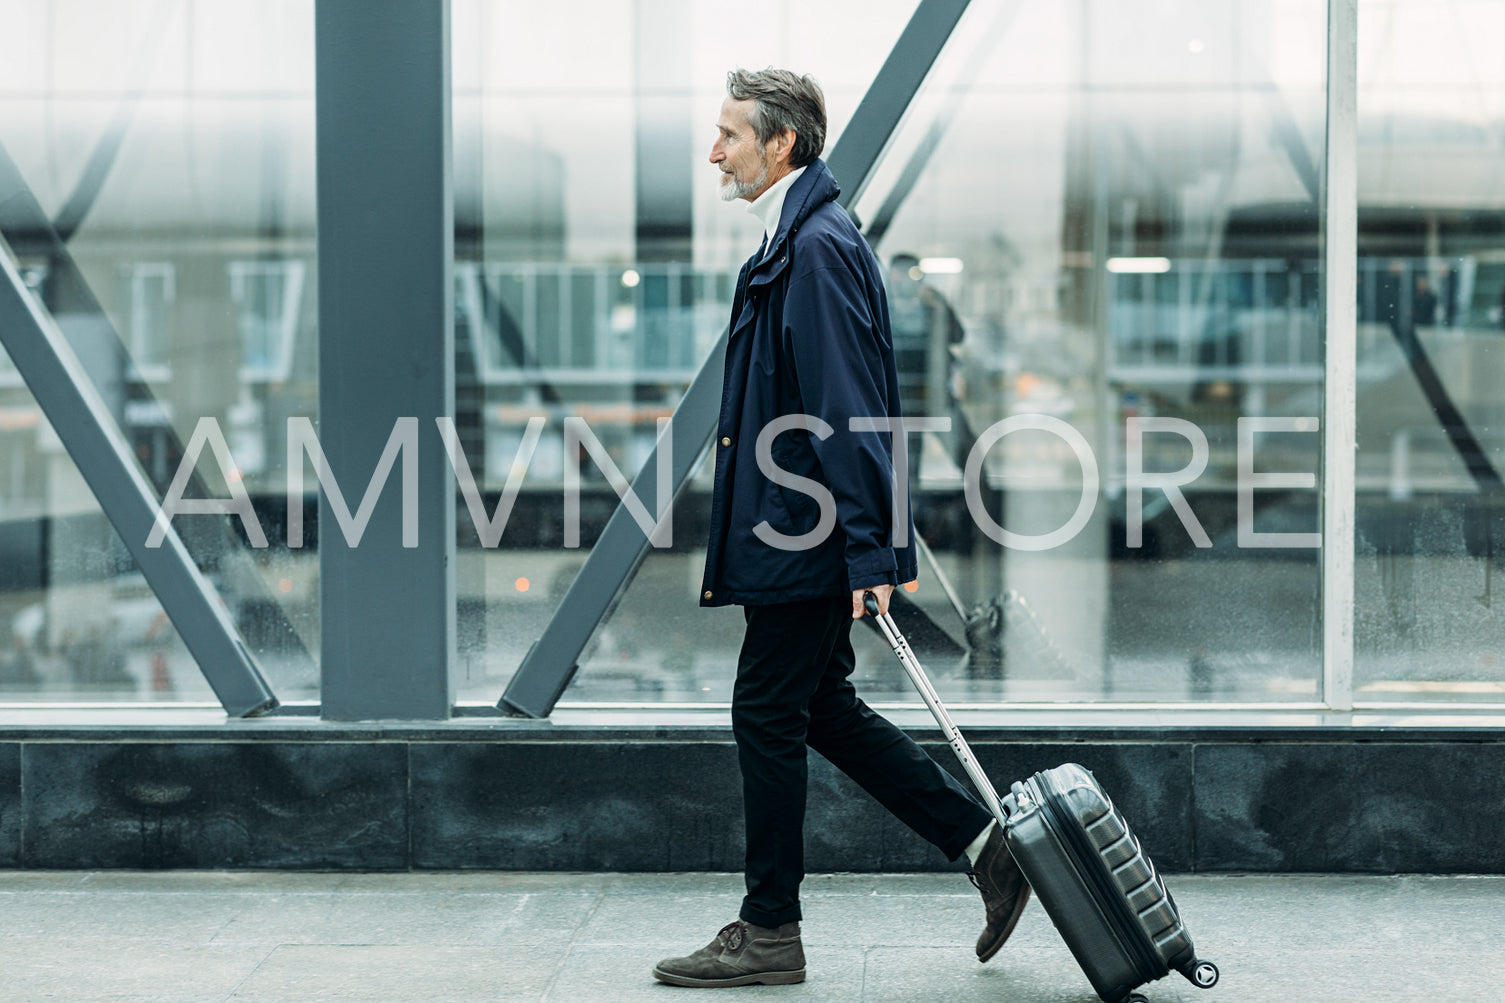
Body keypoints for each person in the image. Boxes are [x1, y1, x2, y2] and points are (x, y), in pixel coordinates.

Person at [651, 67, 1029, 989]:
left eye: (730, 135)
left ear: (781, 144)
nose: (715, 153)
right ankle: (985, 845)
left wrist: (867, 548)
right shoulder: (801, 237)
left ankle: (770, 926)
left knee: (766, 711)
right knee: (818, 706)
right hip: (806, 527)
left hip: (805, 531)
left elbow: (848, 410)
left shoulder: (814, 248)